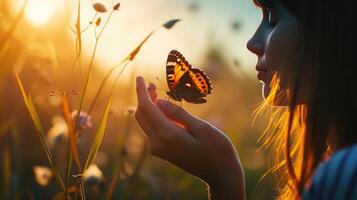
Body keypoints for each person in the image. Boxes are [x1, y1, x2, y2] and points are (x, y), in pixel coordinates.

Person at [134, 0, 357, 199]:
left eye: (273, 18)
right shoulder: (336, 169)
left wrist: (223, 178)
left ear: (332, 30)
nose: (251, 43)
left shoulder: (344, 175)